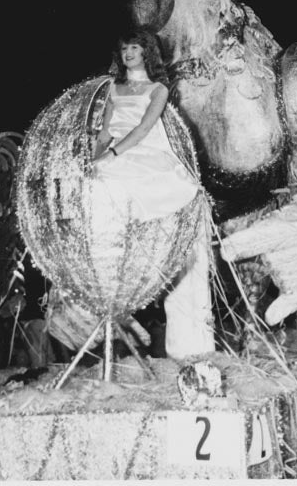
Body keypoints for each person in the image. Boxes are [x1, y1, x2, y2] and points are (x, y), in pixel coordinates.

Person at [90, 29, 211, 358]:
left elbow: (144, 128)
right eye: (124, 48)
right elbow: (104, 131)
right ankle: (113, 297)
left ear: (146, 54)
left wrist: (114, 155)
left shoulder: (158, 89)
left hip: (145, 153)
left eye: (135, 48)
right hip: (115, 153)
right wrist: (95, 157)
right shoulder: (112, 88)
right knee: (95, 186)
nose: (129, 53)